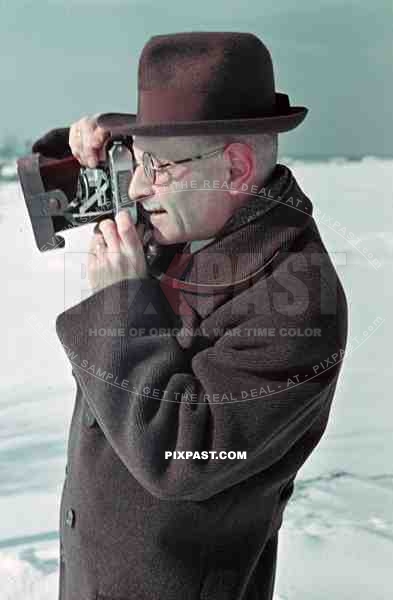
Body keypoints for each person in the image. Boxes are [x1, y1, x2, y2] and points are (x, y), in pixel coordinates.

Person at [36, 32, 348, 600]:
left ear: (233, 166)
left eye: (157, 163)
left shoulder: (298, 302)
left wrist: (121, 307)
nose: (136, 184)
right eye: (136, 156)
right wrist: (80, 150)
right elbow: (64, 195)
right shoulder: (187, 217)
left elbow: (188, 455)